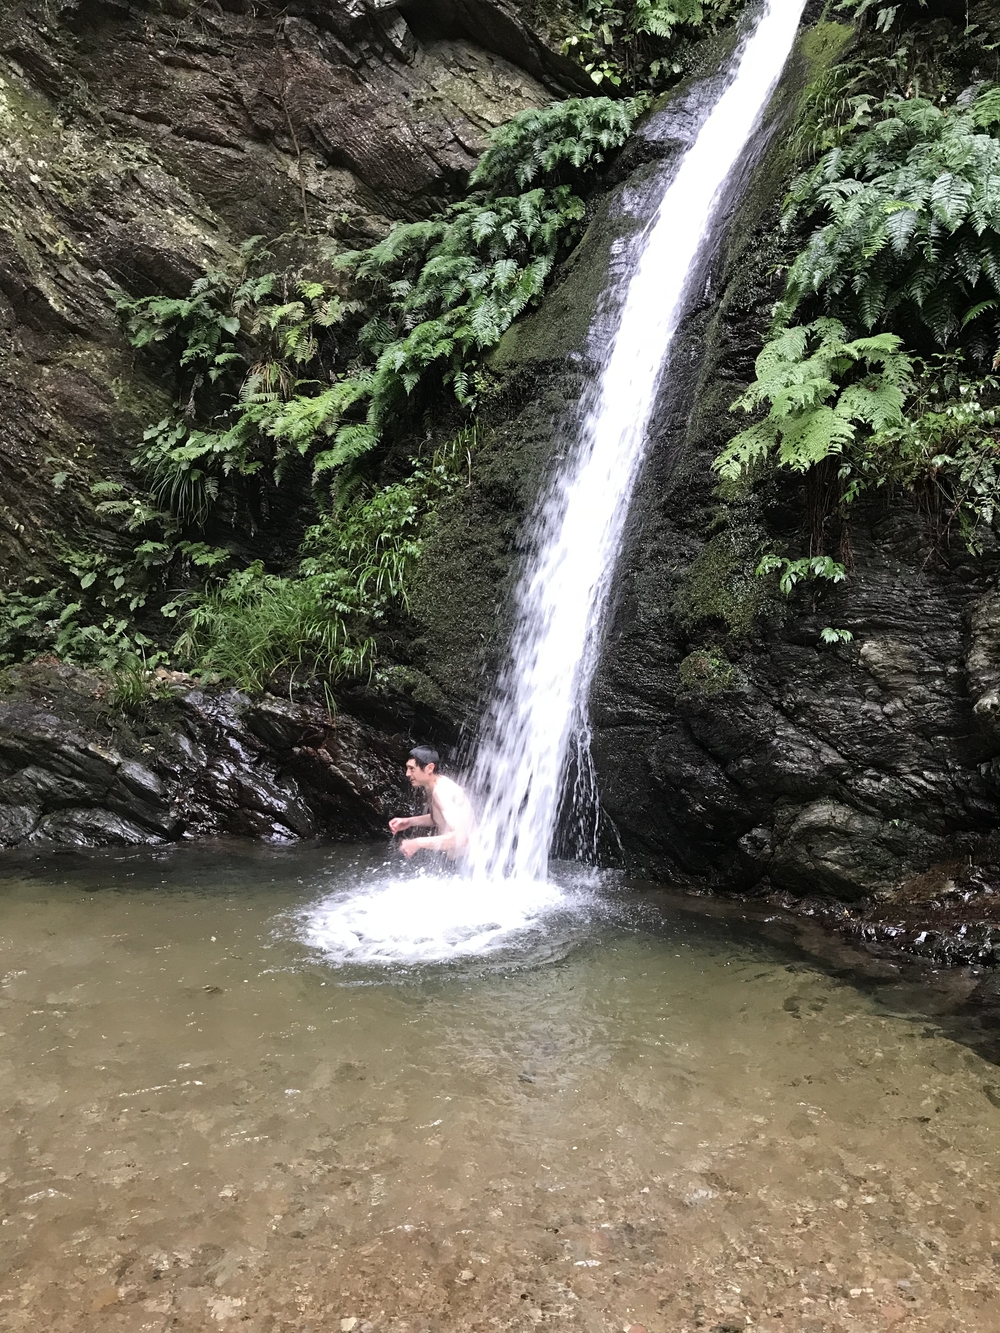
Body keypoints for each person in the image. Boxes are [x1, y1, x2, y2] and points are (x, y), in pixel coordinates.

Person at [388, 746, 474, 860]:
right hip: (466, 861)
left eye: (412, 769)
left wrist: (417, 843)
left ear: (430, 768)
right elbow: (440, 818)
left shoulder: (441, 792)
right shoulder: (438, 785)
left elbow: (462, 837)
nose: (407, 774)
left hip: (470, 862)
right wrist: (409, 822)